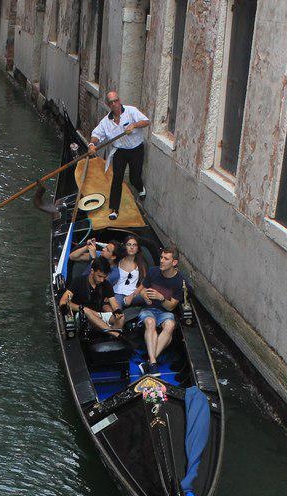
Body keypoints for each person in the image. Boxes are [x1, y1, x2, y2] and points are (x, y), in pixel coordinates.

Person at [87, 91, 150, 221]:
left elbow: (146, 121)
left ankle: (140, 187)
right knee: (117, 179)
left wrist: (134, 125)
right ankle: (114, 209)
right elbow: (96, 135)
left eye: (116, 100)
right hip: (119, 152)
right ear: (108, 104)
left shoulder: (131, 111)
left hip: (136, 149)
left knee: (134, 177)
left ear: (119, 100)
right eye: (111, 102)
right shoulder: (106, 122)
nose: (114, 104)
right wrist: (92, 145)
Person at [122, 247, 186, 371]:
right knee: (150, 322)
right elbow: (144, 289)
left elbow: (171, 306)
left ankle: (150, 362)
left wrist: (161, 298)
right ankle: (153, 362)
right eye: (161, 257)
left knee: (170, 325)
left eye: (166, 259)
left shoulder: (179, 281)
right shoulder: (153, 271)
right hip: (149, 309)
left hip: (165, 312)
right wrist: (145, 295)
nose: (161, 260)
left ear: (174, 263)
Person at [60, 257, 118, 335]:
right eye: (99, 276)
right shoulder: (78, 281)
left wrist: (118, 312)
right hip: (81, 316)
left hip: (98, 315)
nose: (102, 280)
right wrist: (83, 309)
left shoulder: (106, 284)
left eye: (104, 277)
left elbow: (114, 304)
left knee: (120, 317)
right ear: (92, 271)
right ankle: (114, 333)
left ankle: (116, 336)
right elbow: (63, 302)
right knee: (87, 312)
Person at [110, 235, 144, 325]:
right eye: (129, 244)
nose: (132, 247)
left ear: (137, 248)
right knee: (117, 312)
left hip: (133, 294)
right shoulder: (118, 261)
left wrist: (132, 295)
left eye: (134, 245)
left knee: (149, 296)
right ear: (124, 246)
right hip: (118, 292)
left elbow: (144, 282)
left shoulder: (140, 263)